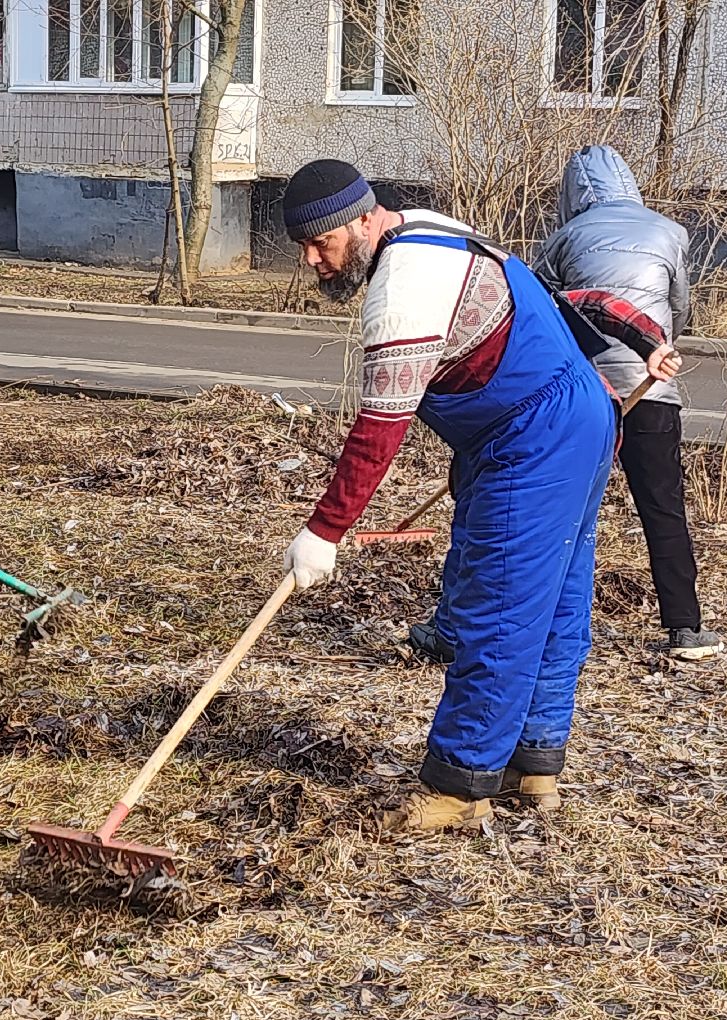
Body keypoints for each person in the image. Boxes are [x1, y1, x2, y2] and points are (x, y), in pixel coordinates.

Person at [278, 159, 680, 831]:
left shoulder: (401, 290)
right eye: (304, 248)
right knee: (552, 605)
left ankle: (461, 785)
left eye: (322, 244)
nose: (313, 261)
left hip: (536, 438)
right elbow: (545, 305)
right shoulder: (433, 231)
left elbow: (379, 430)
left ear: (362, 221)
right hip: (581, 418)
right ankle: (535, 767)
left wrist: (325, 532)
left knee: (500, 606)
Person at [535, 145, 723, 661]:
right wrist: (655, 350)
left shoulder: (565, 237)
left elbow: (540, 314)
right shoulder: (669, 232)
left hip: (583, 394)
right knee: (663, 508)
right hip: (652, 388)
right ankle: (685, 627)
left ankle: (544, 617)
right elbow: (678, 308)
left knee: (563, 509)